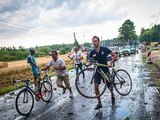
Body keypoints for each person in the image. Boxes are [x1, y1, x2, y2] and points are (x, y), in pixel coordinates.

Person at [89, 36, 117, 110]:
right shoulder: (92, 52)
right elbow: (89, 61)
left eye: (95, 41)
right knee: (96, 86)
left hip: (105, 70)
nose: (94, 42)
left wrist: (111, 62)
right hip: (97, 71)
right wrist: (87, 64)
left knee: (109, 86)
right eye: (93, 41)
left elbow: (114, 55)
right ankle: (99, 103)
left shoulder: (104, 49)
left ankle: (112, 94)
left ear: (99, 41)